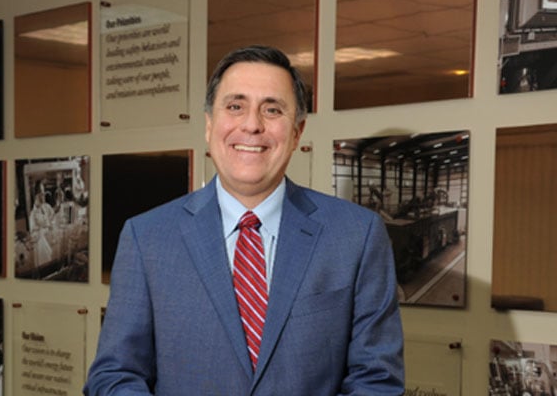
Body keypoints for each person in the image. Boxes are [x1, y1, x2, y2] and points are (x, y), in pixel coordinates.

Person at [84, 45, 404, 395]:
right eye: (235, 106)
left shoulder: (356, 235)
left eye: (272, 109)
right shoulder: (147, 238)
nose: (252, 125)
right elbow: (114, 376)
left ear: (297, 132)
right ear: (209, 125)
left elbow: (377, 381)